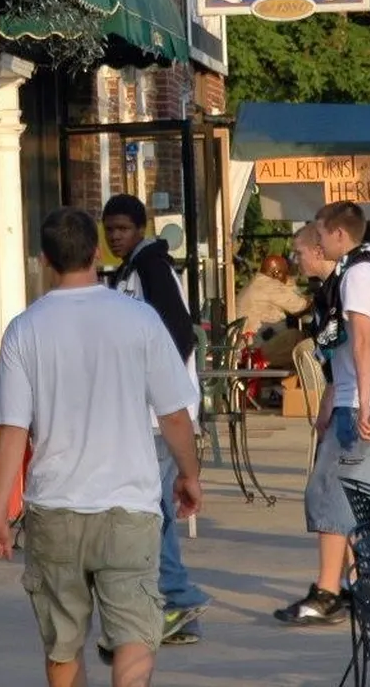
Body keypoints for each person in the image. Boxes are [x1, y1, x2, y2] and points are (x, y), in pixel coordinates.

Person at [0, 207, 202, 687]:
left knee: (63, 643)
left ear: (45, 259)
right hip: (129, 507)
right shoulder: (140, 319)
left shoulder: (24, 329)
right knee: (134, 634)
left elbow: (12, 431)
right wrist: (189, 475)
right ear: (96, 251)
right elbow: (173, 414)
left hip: (55, 508)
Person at [275, 202, 370, 626]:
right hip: (363, 399)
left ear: (338, 235)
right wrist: (331, 399)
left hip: (369, 404)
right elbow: (344, 353)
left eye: (320, 234)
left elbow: (364, 342)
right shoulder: (355, 274)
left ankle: (327, 594)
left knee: (331, 491)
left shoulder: (358, 277)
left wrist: (363, 405)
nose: (316, 242)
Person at [100, 194, 211, 645]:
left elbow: (179, 335)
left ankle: (178, 599)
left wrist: (156, 388)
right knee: (153, 509)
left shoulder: (151, 268)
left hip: (158, 416)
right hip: (148, 415)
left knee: (153, 512)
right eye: (109, 229)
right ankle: (173, 602)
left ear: (141, 229)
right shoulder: (129, 270)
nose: (115, 237)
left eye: (123, 229)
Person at [238, 253, 311, 367]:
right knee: (297, 338)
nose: (286, 277)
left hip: (248, 347)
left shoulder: (257, 282)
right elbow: (301, 306)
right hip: (255, 350)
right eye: (285, 273)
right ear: (276, 273)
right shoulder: (269, 285)